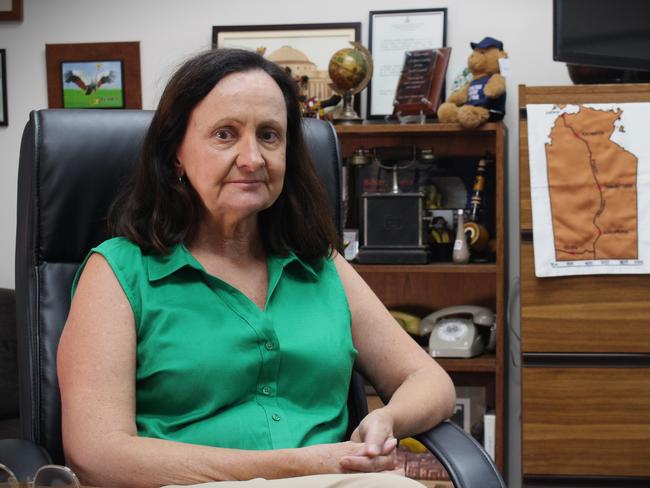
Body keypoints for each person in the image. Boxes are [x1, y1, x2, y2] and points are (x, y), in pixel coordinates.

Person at [57, 48, 455, 488]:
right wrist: (300, 466)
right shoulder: (117, 272)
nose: (252, 158)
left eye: (269, 135)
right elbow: (96, 452)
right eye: (225, 135)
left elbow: (429, 380)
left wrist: (387, 420)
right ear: (176, 154)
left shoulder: (319, 264)